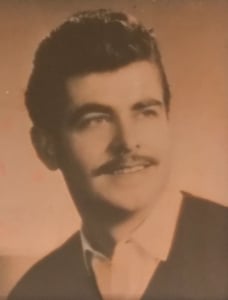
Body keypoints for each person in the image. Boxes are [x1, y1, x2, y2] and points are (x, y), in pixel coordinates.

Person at [8, 8, 228, 300]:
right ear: (46, 147)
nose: (127, 142)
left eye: (145, 112)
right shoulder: (33, 292)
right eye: (95, 120)